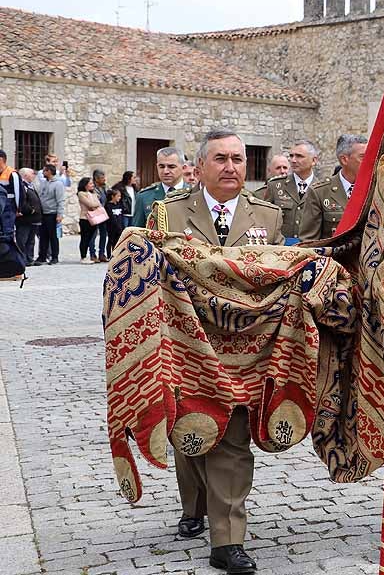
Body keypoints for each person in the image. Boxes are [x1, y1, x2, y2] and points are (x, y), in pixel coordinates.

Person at [147, 129, 283, 575]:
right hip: (186, 347)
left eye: (238, 159)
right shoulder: (169, 213)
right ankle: (194, 506)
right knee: (190, 432)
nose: (231, 167)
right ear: (200, 167)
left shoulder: (268, 216)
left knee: (233, 440)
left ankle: (227, 541)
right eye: (221, 159)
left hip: (245, 350)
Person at [298, 135, 367, 242]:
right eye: (363, 157)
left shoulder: (373, 189)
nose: (369, 161)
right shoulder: (320, 192)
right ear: (344, 159)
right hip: (332, 252)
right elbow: (309, 241)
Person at [261, 140, 320, 242]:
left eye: (299, 156)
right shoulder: (275, 186)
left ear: (314, 160)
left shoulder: (322, 188)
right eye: (291, 156)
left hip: (310, 247)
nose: (293, 160)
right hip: (281, 247)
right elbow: (265, 220)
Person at [134, 147, 188, 225]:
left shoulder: (194, 194)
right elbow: (137, 230)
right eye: (161, 166)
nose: (165, 171)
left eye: (171, 167)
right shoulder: (144, 197)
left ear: (183, 168)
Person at [35, 164, 65, 265]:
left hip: (52, 213)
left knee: (53, 236)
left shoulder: (58, 184)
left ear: (49, 171)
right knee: (43, 236)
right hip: (43, 213)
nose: (43, 173)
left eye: (44, 171)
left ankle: (54, 257)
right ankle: (42, 256)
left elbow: (60, 200)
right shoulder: (43, 183)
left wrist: (60, 214)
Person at [15, 168, 42, 266]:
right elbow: (22, 200)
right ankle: (22, 259)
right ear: (25, 175)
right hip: (25, 218)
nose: (34, 175)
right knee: (22, 240)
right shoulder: (21, 186)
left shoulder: (30, 186)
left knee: (31, 240)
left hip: (33, 219)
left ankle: (29, 258)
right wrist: (30, 210)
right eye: (32, 173)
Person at [76, 177, 102, 264]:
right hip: (85, 218)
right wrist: (96, 204)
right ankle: (83, 256)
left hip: (94, 218)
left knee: (90, 237)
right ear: (85, 185)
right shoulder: (81, 194)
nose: (92, 185)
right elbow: (90, 204)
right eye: (90, 183)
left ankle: (88, 255)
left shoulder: (93, 193)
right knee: (85, 238)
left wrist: (95, 204)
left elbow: (98, 203)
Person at [91, 169, 110, 262]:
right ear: (96, 178)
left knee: (103, 234)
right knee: (93, 235)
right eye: (102, 178)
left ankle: (102, 254)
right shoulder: (92, 188)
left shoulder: (105, 187)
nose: (104, 179)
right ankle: (92, 254)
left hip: (103, 213)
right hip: (95, 213)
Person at [106, 188, 126, 252]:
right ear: (112, 196)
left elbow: (121, 216)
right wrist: (116, 226)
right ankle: (109, 255)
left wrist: (122, 226)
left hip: (120, 226)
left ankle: (115, 254)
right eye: (118, 196)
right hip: (112, 227)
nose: (119, 198)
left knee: (117, 242)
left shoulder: (119, 205)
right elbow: (111, 217)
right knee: (111, 241)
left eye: (120, 196)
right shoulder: (108, 205)